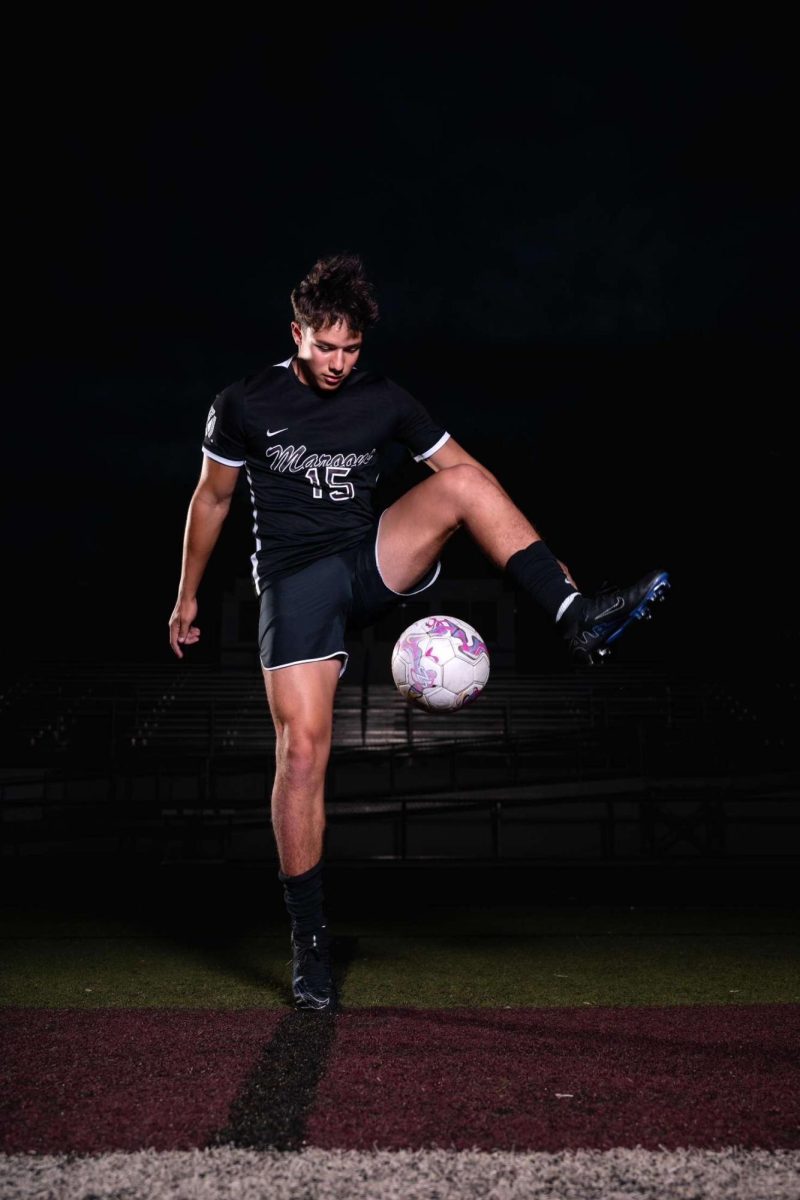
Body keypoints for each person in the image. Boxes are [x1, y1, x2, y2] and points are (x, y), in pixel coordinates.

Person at [168, 253, 669, 1013]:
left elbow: (469, 474)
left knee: (465, 486)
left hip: (370, 560)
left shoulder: (385, 399)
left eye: (352, 349)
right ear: (296, 333)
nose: (339, 363)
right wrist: (187, 598)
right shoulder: (244, 400)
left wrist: (542, 561)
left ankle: (577, 618)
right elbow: (210, 501)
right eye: (325, 346)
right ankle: (309, 941)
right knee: (302, 752)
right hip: (296, 586)